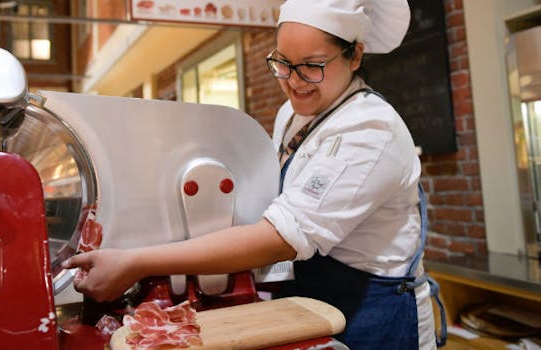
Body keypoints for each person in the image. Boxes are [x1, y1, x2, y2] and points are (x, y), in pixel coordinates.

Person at [63, 0, 444, 348]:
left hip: (376, 313)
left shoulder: (369, 130)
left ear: (355, 55)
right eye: (283, 63)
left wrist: (136, 261)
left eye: (312, 66)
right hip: (312, 298)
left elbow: (282, 237)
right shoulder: (292, 115)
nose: (293, 82)